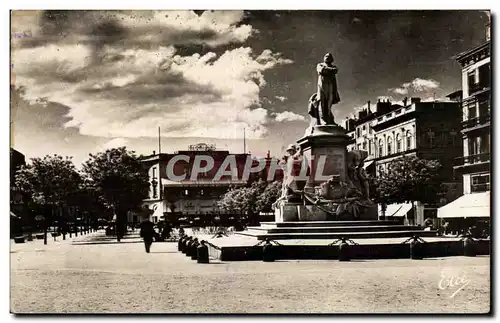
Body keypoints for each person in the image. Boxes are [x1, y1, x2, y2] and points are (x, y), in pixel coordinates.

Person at [316, 53, 341, 125]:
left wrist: (327, 70)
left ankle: (329, 119)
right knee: (322, 102)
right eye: (326, 56)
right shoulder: (319, 64)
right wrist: (330, 70)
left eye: (329, 57)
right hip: (322, 85)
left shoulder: (334, 67)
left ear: (331, 59)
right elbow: (321, 70)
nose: (327, 58)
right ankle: (323, 120)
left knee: (329, 104)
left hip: (331, 86)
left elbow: (335, 70)